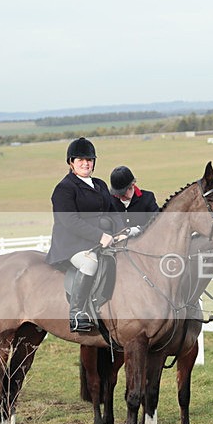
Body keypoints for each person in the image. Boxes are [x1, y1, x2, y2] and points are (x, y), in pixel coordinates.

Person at [45, 137, 124, 333]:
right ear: (71, 163)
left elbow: (113, 211)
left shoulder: (100, 184)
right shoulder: (64, 188)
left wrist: (121, 232)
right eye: (80, 159)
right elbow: (69, 221)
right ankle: (77, 313)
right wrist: (100, 236)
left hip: (102, 241)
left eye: (89, 159)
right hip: (73, 244)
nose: (85, 163)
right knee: (90, 263)